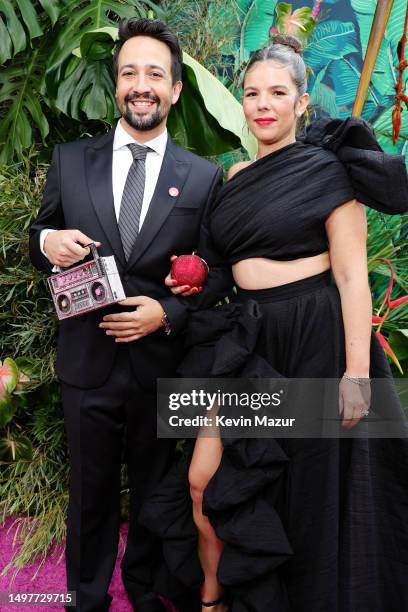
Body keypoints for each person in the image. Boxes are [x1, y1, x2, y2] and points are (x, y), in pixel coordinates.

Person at [139, 35, 408, 612]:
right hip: (248, 340)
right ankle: (213, 599)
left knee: (305, 492)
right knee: (203, 481)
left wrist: (356, 372)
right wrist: (190, 281)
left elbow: (352, 279)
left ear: (301, 103)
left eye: (278, 93)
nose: (263, 103)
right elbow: (219, 270)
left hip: (315, 336)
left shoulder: (331, 172)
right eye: (253, 92)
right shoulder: (231, 178)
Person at [29, 18, 232, 612]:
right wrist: (49, 244)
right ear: (116, 85)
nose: (140, 85)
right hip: (87, 361)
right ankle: (85, 598)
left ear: (174, 90)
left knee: (154, 494)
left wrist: (166, 313)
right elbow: (39, 232)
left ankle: (146, 591)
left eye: (154, 75)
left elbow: (218, 273)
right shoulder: (69, 161)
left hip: (160, 364)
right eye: (128, 73)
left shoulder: (202, 175)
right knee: (89, 493)